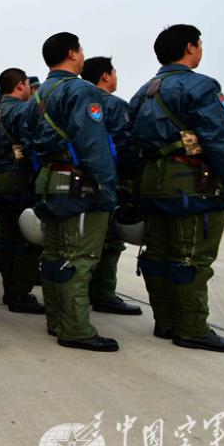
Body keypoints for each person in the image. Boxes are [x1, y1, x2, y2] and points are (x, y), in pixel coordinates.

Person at [128, 24, 224, 352]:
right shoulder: (201, 86)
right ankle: (192, 327)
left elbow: (129, 141)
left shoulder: (143, 91)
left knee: (158, 255)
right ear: (191, 47)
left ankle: (165, 321)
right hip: (192, 183)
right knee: (191, 257)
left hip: (154, 184)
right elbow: (219, 139)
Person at [30, 32, 118, 352]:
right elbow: (93, 145)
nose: (83, 55)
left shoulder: (38, 95)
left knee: (54, 256)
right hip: (79, 185)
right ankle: (76, 328)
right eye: (81, 50)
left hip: (51, 182)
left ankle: (57, 318)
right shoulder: (80, 90)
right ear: (72, 53)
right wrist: (107, 188)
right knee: (78, 260)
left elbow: (32, 145)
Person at [78, 57, 142, 316]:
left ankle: (81, 294)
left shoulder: (76, 102)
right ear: (105, 76)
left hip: (78, 181)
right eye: (114, 72)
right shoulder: (115, 106)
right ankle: (103, 293)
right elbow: (126, 145)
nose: (116, 77)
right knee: (111, 240)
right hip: (112, 180)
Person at [0, 68, 45, 314]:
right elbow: (32, 145)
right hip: (21, 179)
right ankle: (21, 294)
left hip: (0, 179)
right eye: (28, 84)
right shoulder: (23, 110)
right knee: (28, 240)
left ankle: (10, 292)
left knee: (6, 240)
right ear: (20, 85)